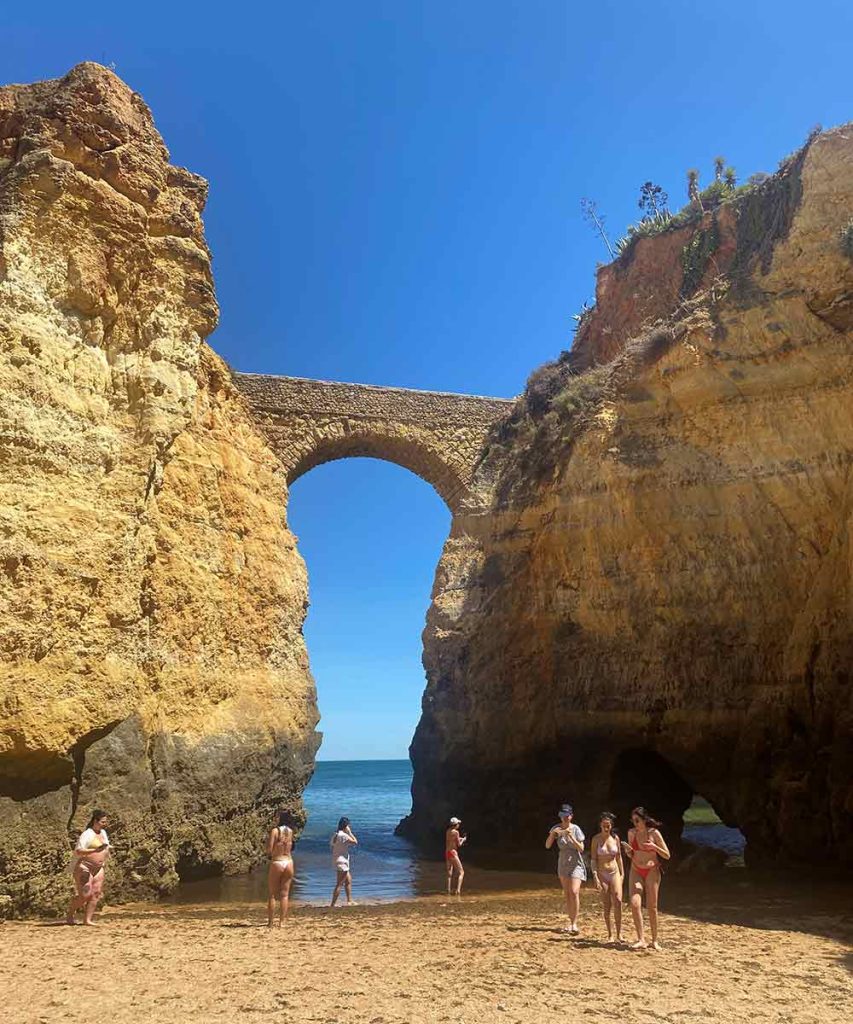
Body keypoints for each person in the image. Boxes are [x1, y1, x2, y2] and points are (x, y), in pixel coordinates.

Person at [621, 806, 671, 950]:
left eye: (637, 820)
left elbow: (667, 855)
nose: (634, 823)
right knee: (635, 903)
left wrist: (654, 847)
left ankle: (654, 940)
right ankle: (641, 939)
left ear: (643, 820)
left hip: (652, 870)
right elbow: (631, 854)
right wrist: (628, 851)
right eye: (633, 820)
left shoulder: (654, 833)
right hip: (636, 869)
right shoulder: (631, 833)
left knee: (652, 907)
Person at [545, 803, 587, 934]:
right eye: (563, 816)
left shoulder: (576, 829)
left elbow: (581, 848)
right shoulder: (556, 828)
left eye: (567, 816)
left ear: (571, 816)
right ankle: (571, 921)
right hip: (563, 864)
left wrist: (571, 837)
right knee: (568, 893)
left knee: (574, 892)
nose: (565, 818)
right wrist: (553, 834)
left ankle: (575, 923)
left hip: (576, 863)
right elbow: (547, 845)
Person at [65, 810, 110, 925]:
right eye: (103, 822)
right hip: (84, 867)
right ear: (95, 821)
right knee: (85, 894)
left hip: (99, 868)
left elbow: (105, 847)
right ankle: (70, 913)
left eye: (106, 821)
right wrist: (95, 850)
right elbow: (79, 851)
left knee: (96, 893)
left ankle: (87, 920)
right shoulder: (87, 834)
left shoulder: (103, 833)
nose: (105, 824)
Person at [589, 811, 625, 943]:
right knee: (607, 904)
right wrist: (595, 876)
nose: (606, 827)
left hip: (614, 871)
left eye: (608, 825)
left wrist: (622, 874)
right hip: (602, 873)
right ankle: (610, 934)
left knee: (618, 900)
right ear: (600, 825)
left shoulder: (615, 838)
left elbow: (619, 857)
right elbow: (593, 859)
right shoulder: (596, 839)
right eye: (604, 825)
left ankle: (619, 933)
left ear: (611, 826)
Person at [267, 809, 295, 928]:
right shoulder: (290, 832)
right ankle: (282, 922)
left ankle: (270, 922)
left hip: (277, 861)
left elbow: (269, 848)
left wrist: (269, 851)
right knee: (285, 894)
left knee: (272, 894)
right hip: (288, 862)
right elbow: (291, 846)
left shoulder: (275, 831)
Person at [330, 816, 358, 907]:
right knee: (339, 884)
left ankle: (349, 900)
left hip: (338, 860)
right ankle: (333, 904)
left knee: (348, 880)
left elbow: (332, 845)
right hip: (342, 862)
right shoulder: (344, 836)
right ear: (346, 826)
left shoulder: (335, 835)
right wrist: (350, 832)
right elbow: (355, 842)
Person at [445, 816, 466, 895]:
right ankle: (458, 891)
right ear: (455, 825)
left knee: (449, 873)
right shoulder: (456, 832)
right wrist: (463, 840)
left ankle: (448, 890)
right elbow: (459, 844)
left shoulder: (448, 831)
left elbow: (451, 839)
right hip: (453, 853)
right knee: (461, 872)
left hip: (447, 852)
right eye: (458, 824)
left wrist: (460, 838)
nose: (459, 825)